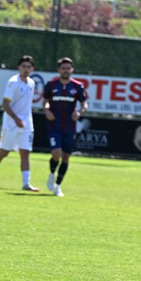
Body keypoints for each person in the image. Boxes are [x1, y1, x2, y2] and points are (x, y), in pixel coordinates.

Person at [0, 55, 39, 192]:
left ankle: (26, 184)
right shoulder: (13, 82)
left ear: (32, 69)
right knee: (4, 152)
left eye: (28, 67)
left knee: (25, 152)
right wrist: (16, 118)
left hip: (26, 123)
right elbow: (5, 104)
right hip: (11, 123)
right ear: (18, 68)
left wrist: (24, 120)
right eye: (23, 66)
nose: (26, 69)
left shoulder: (31, 83)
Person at [42, 57, 88, 198]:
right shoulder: (51, 85)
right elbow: (45, 101)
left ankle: (58, 186)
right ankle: (51, 174)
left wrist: (79, 112)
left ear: (72, 70)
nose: (66, 70)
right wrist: (47, 110)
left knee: (66, 158)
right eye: (63, 68)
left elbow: (84, 104)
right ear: (59, 70)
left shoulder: (77, 86)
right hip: (54, 126)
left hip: (69, 127)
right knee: (56, 154)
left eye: (68, 68)